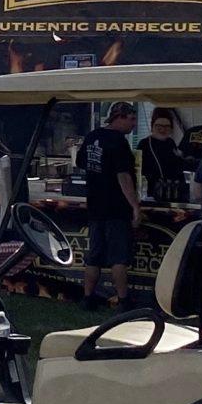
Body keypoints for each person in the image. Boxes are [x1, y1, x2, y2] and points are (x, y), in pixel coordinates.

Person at [75, 100, 142, 310]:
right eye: (131, 119)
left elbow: (81, 162)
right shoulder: (118, 142)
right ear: (118, 118)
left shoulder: (93, 136)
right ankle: (123, 299)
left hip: (95, 206)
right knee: (118, 257)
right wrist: (135, 206)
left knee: (94, 255)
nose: (133, 125)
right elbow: (123, 177)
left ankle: (87, 297)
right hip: (116, 208)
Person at [137, 107, 189, 203]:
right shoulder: (144, 144)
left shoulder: (171, 143)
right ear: (152, 126)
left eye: (167, 126)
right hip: (152, 193)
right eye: (159, 126)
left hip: (173, 191)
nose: (163, 130)